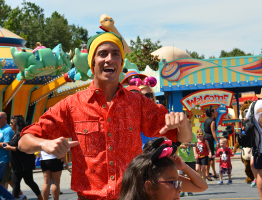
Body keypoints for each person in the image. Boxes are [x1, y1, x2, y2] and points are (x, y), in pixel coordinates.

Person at [18, 31, 192, 199]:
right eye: (102, 54)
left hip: (130, 196)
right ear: (92, 63)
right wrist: (44, 144)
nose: (109, 59)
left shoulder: (138, 103)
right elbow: (24, 141)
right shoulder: (71, 105)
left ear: (121, 63)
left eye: (115, 54)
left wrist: (183, 124)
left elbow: (182, 137)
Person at [118, 138, 208, 200]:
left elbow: (203, 186)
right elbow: (202, 187)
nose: (179, 189)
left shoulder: (171, 181)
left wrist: (184, 167)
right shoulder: (163, 179)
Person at [2, 115, 42, 200]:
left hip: (24, 164)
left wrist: (10, 148)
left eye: (11, 123)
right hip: (16, 164)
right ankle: (15, 198)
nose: (10, 124)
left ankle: (40, 197)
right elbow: (13, 146)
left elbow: (23, 149)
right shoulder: (14, 134)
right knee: (15, 183)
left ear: (16, 124)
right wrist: (10, 160)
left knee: (29, 182)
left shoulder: (22, 135)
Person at [177, 119, 198, 197]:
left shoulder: (192, 135)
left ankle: (189, 190)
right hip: (182, 159)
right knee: (181, 176)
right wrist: (182, 145)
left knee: (190, 176)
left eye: (189, 126)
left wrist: (188, 145)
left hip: (190, 159)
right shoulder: (179, 134)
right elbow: (176, 144)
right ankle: (181, 191)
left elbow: (195, 144)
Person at [0, 112, 18, 193]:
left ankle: (3, 197)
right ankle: (21, 196)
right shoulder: (1, 129)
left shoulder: (8, 130)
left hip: (5, 160)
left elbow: (7, 145)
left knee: (1, 182)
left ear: (5, 119)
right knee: (10, 180)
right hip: (2, 159)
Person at [203, 107, 219, 181]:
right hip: (209, 139)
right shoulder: (212, 121)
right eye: (214, 111)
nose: (216, 111)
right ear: (212, 113)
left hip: (206, 138)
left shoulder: (206, 120)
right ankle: (208, 174)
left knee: (209, 157)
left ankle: (213, 172)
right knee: (210, 157)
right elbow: (213, 132)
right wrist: (217, 141)